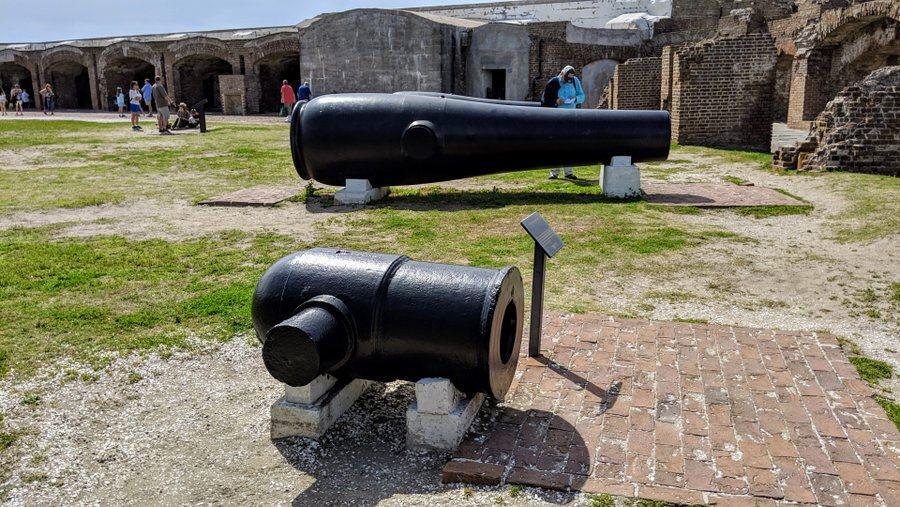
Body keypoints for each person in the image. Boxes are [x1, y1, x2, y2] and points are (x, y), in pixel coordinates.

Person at [541, 65, 585, 180]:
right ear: (562, 73)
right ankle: (554, 172)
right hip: (557, 117)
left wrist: (575, 99)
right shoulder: (554, 82)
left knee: (569, 145)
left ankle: (569, 172)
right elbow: (545, 100)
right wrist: (556, 101)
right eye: (566, 79)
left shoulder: (575, 81)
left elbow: (582, 96)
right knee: (556, 145)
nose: (568, 81)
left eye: (570, 79)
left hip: (571, 116)